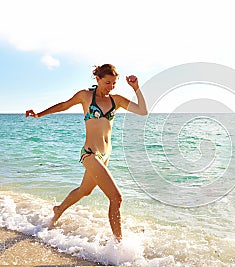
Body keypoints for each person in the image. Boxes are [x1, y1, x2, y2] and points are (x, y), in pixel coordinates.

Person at [25, 64, 148, 241]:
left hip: (105, 156)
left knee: (84, 190)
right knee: (116, 198)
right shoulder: (85, 96)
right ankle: (118, 245)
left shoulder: (117, 100)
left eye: (114, 83)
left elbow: (143, 111)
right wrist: (39, 114)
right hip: (90, 153)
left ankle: (58, 209)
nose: (111, 87)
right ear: (97, 79)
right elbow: (64, 105)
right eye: (107, 82)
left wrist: (136, 88)